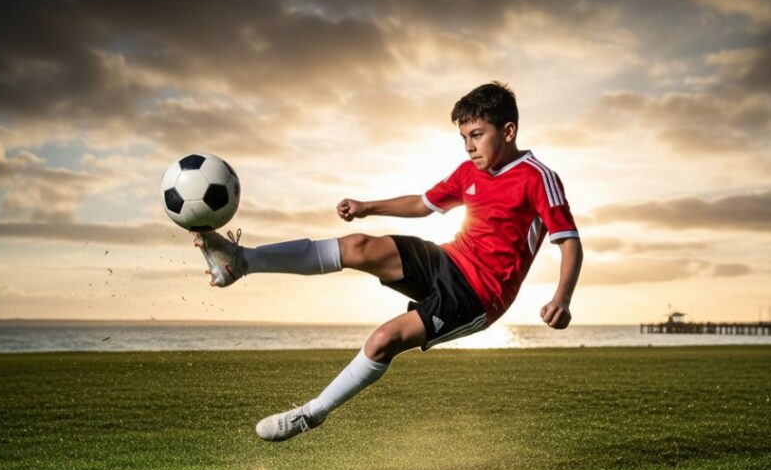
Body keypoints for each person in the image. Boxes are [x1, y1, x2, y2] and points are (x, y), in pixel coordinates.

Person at [194, 82, 583, 441]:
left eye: (477, 135)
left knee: (383, 341)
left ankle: (310, 414)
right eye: (464, 137)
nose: (469, 147)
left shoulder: (537, 178)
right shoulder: (468, 172)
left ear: (509, 130)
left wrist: (561, 298)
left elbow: (568, 243)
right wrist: (367, 206)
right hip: (448, 258)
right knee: (360, 245)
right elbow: (422, 203)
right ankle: (239, 261)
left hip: (479, 295)